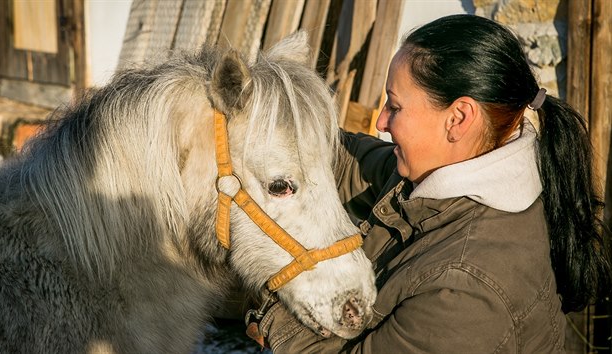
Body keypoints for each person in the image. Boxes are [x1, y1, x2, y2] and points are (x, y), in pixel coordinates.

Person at [251, 14, 612, 353]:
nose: (380, 122)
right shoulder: (439, 176)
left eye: (395, 106)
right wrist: (267, 124)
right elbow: (345, 161)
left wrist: (275, 310)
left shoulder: (467, 289)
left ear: (458, 118)